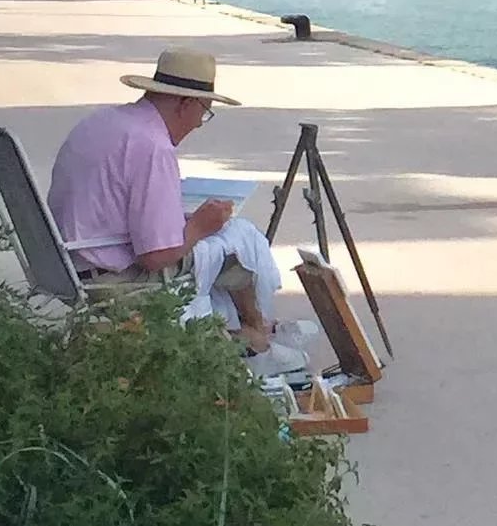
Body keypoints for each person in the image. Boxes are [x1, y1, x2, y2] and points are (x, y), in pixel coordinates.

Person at [48, 47, 308, 370]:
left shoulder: (105, 120)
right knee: (236, 241)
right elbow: (155, 256)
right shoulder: (153, 146)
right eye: (204, 113)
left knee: (223, 239)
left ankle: (255, 330)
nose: (200, 124)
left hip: (66, 259)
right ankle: (257, 340)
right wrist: (200, 226)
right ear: (187, 103)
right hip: (112, 277)